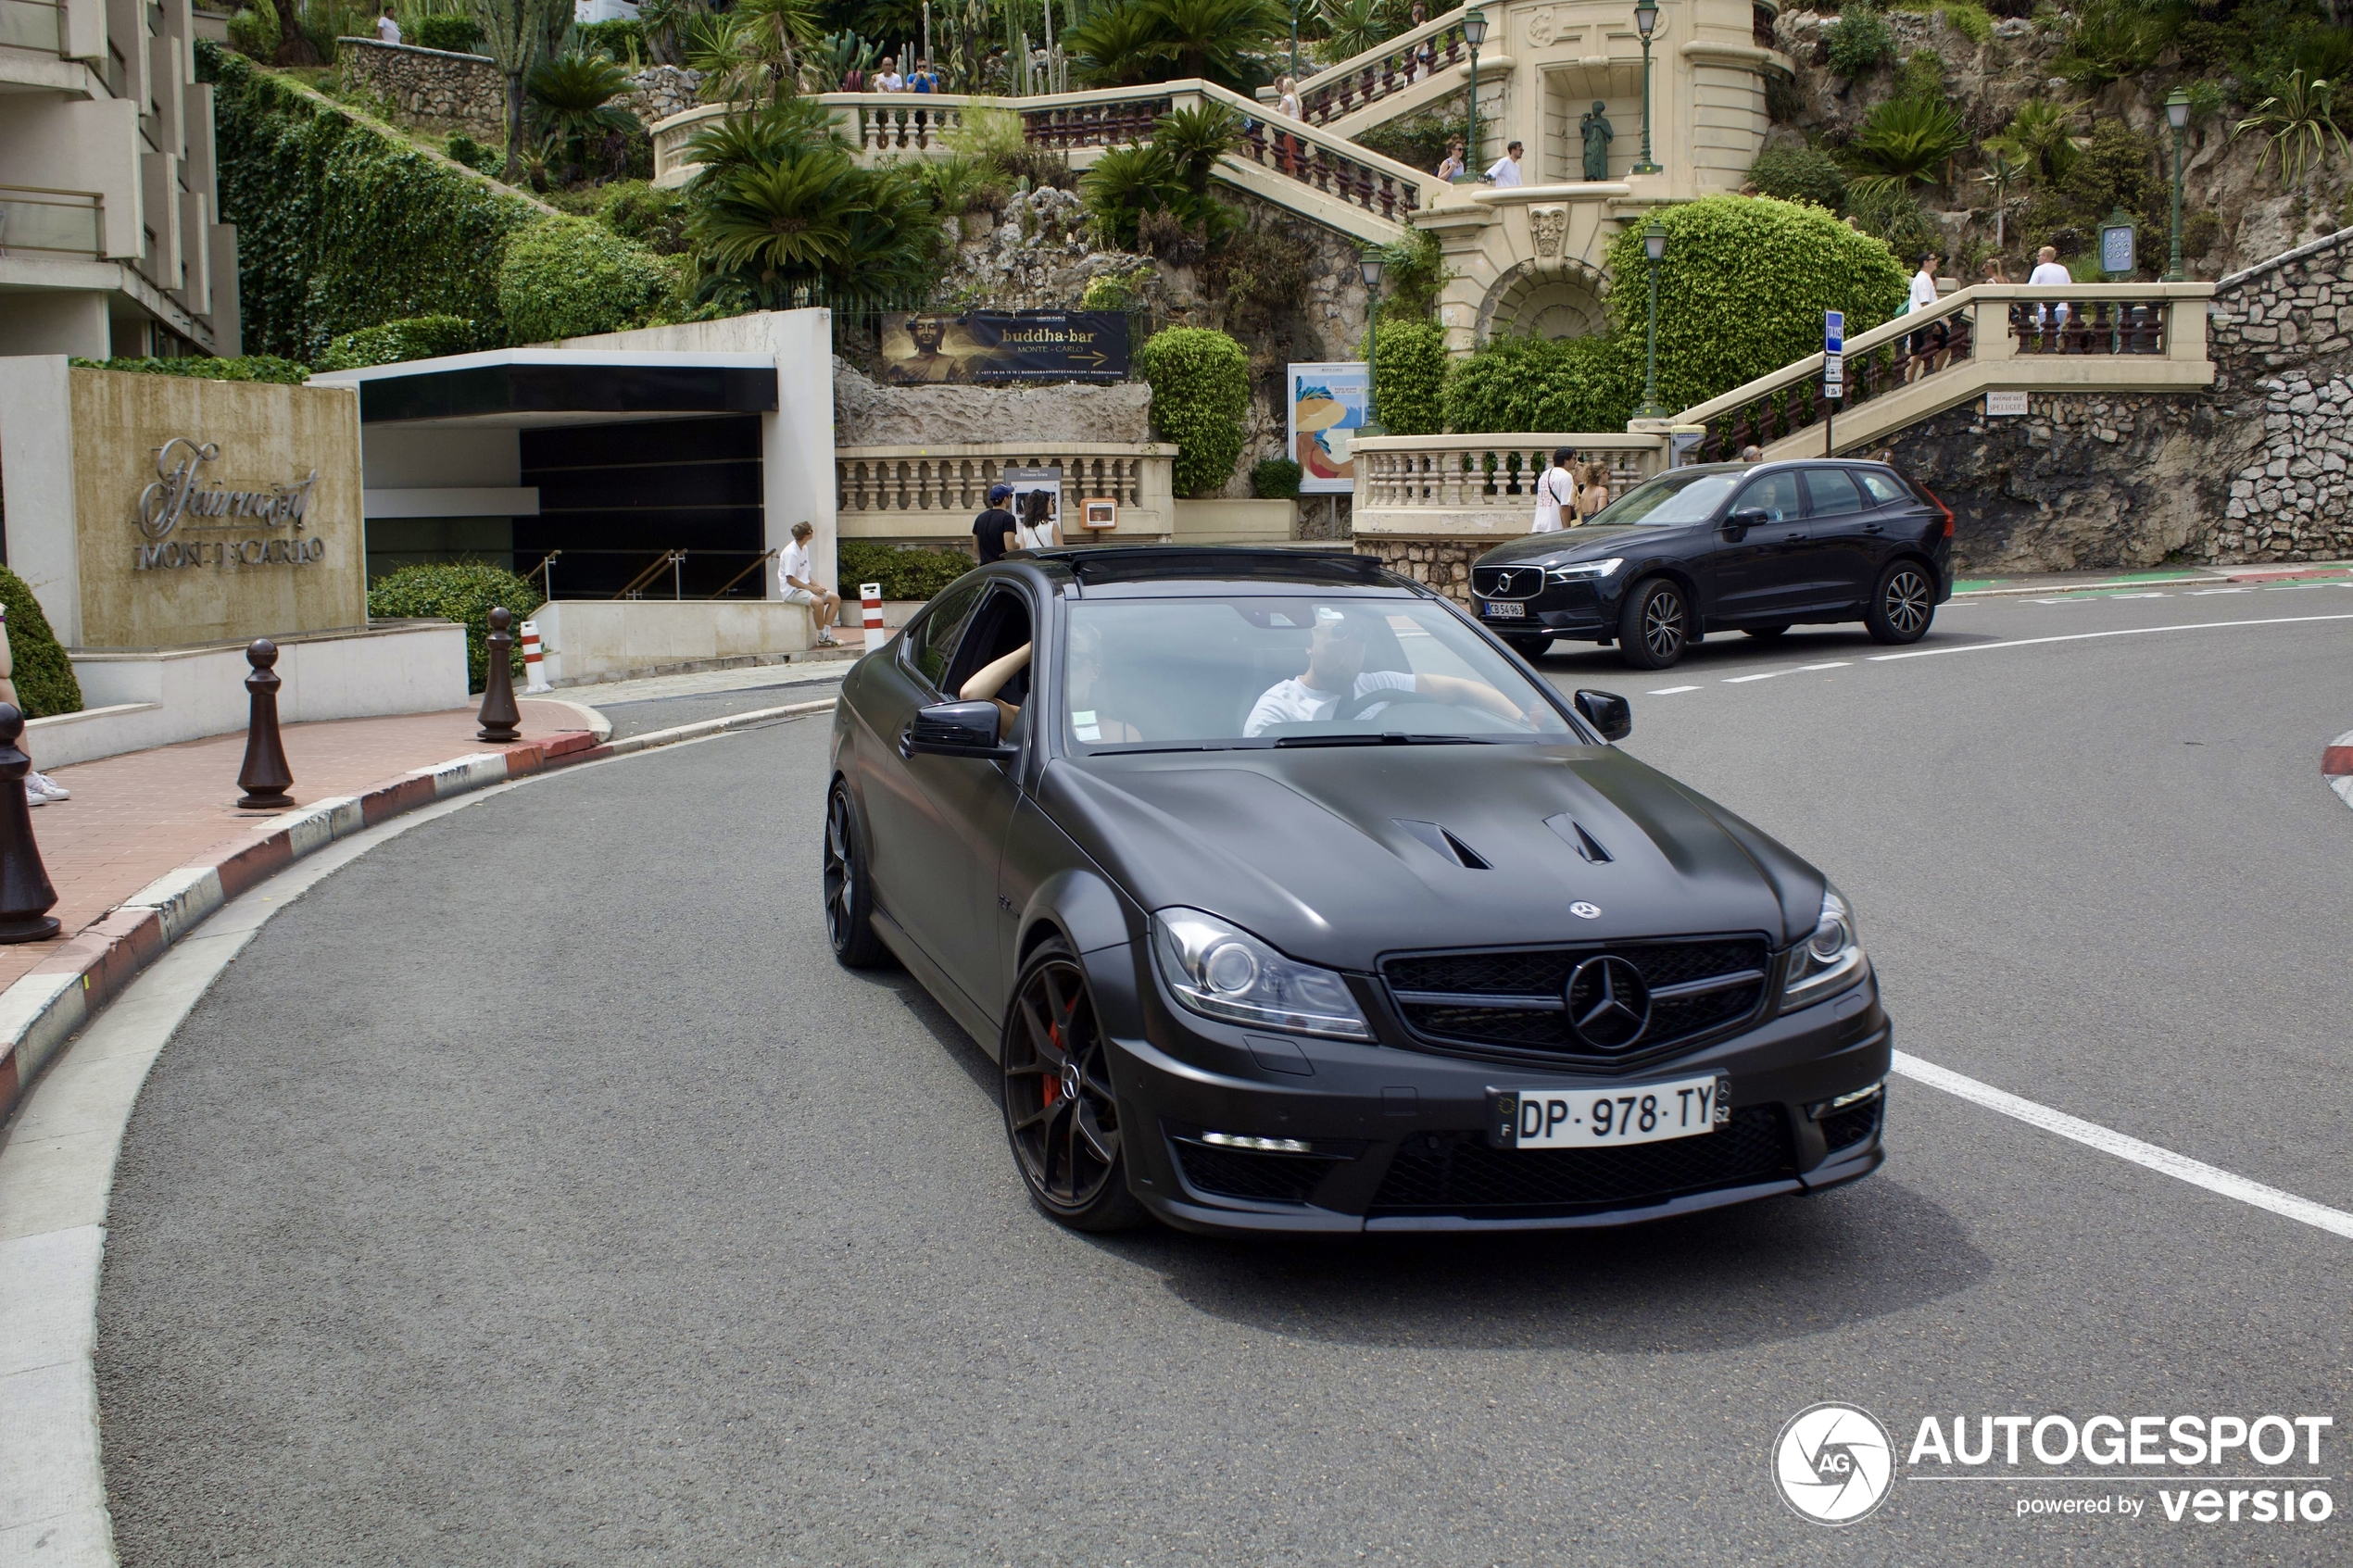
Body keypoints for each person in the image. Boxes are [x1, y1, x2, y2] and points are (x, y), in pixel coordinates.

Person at [1244, 608, 1529, 736]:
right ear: (1309, 646)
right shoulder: (1277, 708)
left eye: (1358, 645)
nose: (1349, 658)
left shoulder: (1379, 685)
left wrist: (1526, 720)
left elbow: (1463, 689)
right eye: (1336, 645)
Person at [778, 521, 841, 648]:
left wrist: (818, 587)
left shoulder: (804, 548)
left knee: (835, 598)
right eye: (811, 530)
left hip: (805, 588)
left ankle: (827, 634)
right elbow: (790, 579)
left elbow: (806, 574)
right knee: (818, 602)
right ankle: (822, 636)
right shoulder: (791, 553)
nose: (813, 532)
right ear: (806, 535)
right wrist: (812, 589)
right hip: (792, 591)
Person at [1906, 251, 1945, 378]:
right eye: (1933, 259)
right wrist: (1933, 323)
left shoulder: (1922, 278)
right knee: (1947, 343)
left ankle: (1909, 380)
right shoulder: (1923, 279)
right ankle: (1933, 372)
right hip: (1925, 321)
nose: (1936, 261)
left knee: (1916, 353)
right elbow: (1925, 303)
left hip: (1918, 321)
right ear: (1925, 262)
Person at [1531, 445, 1579, 533]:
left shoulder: (1544, 474)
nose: (1576, 462)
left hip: (1539, 525)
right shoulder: (1566, 476)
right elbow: (1564, 506)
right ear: (1566, 461)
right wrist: (1567, 530)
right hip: (1555, 527)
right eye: (1574, 458)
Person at [2027, 244, 2072, 332]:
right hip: (2062, 308)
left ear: (2045, 256)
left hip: (2045, 309)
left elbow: (2031, 288)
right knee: (2056, 334)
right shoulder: (2063, 269)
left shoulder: (2039, 269)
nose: (2037, 258)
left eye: (2038, 255)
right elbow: (2069, 288)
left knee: (2045, 334)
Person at [973, 482, 1018, 563]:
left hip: (985, 568)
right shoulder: (1008, 518)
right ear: (1005, 499)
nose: (1011, 499)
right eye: (1010, 496)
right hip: (1003, 567)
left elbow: (976, 547)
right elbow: (1010, 547)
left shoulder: (980, 518)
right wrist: (1022, 546)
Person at [1013, 487, 1061, 551]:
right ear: (1045, 505)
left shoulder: (1026, 527)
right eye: (1050, 503)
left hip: (1031, 561)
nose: (1052, 505)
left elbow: (1022, 553)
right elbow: (1060, 550)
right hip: (1048, 560)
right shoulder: (1053, 525)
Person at [1579, 102, 1613, 182]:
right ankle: (1590, 179)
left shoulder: (1604, 122)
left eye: (1595, 109)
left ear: (1599, 110)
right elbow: (1582, 127)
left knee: (1600, 167)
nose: (1593, 111)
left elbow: (1609, 134)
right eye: (1593, 109)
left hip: (1600, 148)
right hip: (1590, 148)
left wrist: (1599, 126)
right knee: (1589, 165)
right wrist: (1583, 117)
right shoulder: (1589, 122)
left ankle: (1599, 179)